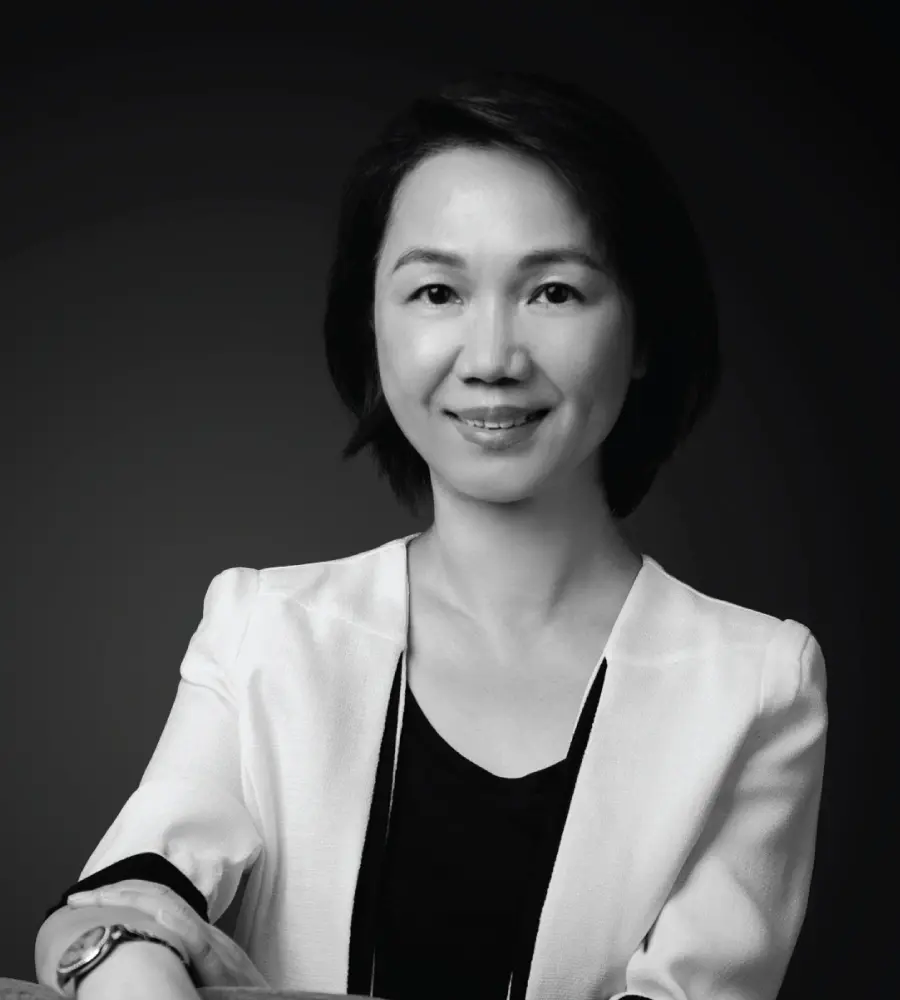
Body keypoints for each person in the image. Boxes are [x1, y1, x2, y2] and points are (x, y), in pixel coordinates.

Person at [32, 70, 827, 1000]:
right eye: (438, 291)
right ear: (372, 325)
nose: (490, 359)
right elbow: (108, 910)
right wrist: (129, 966)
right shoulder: (264, 628)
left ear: (644, 329)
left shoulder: (757, 685)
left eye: (555, 291)